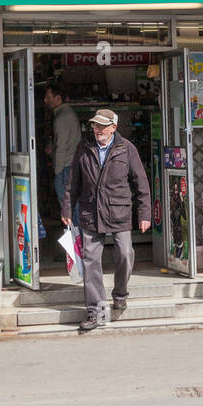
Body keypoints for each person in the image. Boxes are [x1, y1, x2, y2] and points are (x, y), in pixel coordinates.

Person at [62, 109, 152, 332]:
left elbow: (141, 183)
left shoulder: (126, 148)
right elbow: (73, 182)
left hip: (118, 211)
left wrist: (145, 214)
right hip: (91, 211)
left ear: (114, 127)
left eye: (102, 126)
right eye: (95, 125)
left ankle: (120, 294)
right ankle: (96, 312)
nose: (97, 130)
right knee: (91, 261)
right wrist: (66, 207)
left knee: (124, 254)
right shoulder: (84, 148)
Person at [43, 81, 80, 225]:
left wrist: (57, 171)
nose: (45, 100)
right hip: (69, 166)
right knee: (71, 206)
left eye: (48, 97)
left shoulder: (62, 117)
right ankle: (77, 240)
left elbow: (62, 146)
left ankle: (75, 241)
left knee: (68, 208)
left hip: (65, 168)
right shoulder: (67, 113)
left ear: (58, 98)